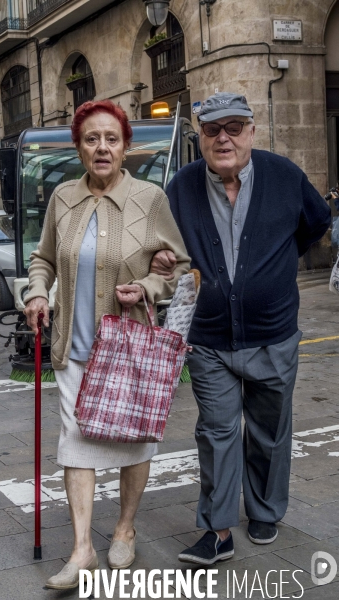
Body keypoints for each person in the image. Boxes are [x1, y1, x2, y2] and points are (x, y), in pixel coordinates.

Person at [152, 92, 331, 565]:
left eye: (234, 127)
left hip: (274, 334)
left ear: (252, 131)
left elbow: (315, 224)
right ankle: (218, 531)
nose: (224, 137)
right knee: (216, 430)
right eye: (213, 129)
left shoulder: (285, 176)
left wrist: (270, 269)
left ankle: (266, 509)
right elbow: (164, 245)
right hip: (209, 339)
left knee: (270, 431)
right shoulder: (182, 186)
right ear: (201, 136)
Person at [23, 99, 190, 589]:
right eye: (91, 139)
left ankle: (125, 528)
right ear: (78, 147)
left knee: (133, 438)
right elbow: (43, 259)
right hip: (74, 345)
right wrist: (36, 292)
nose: (102, 148)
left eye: (111, 139)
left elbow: (177, 266)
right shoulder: (62, 199)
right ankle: (81, 551)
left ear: (126, 147)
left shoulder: (150, 198)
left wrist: (148, 287)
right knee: (74, 443)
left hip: (128, 346)